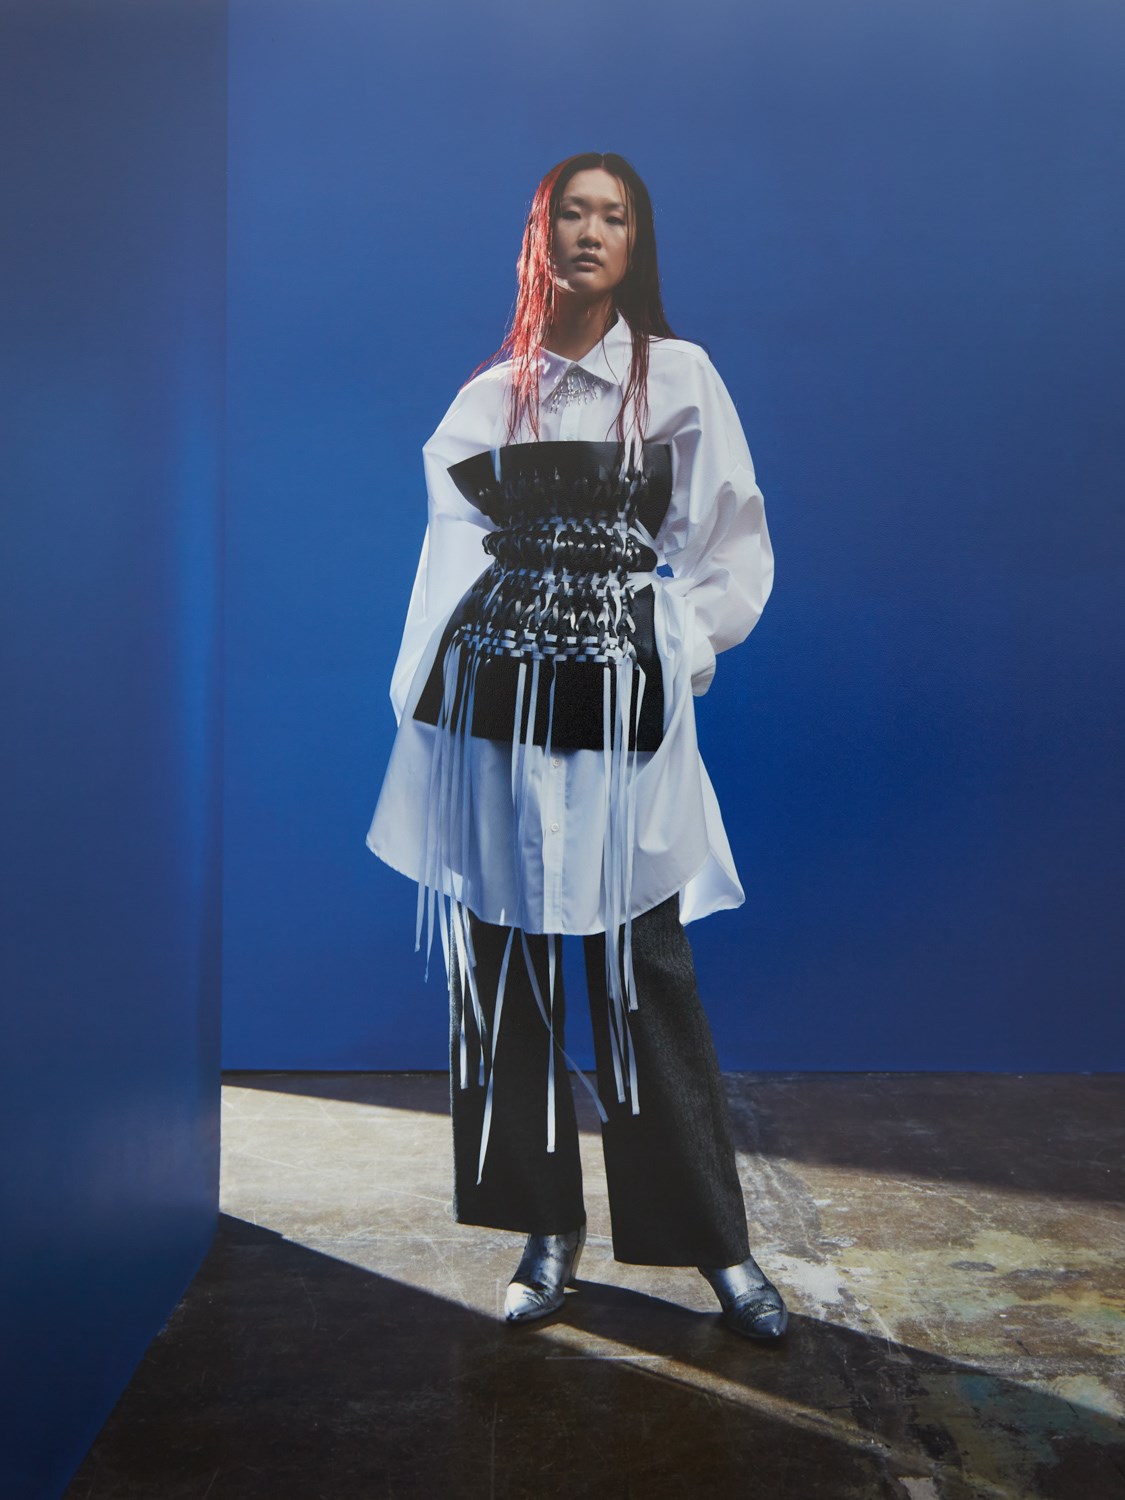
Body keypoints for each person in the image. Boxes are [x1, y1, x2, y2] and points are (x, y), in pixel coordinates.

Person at [366, 151, 786, 1341]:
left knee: (645, 968)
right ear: (539, 235)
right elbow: (448, 554)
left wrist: (669, 642)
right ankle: (543, 1230)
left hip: (622, 712)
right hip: (502, 711)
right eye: (573, 213)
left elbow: (732, 542)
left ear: (637, 244)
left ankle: (716, 1245)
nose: (592, 232)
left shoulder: (680, 377)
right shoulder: (492, 398)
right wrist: (433, 697)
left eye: (616, 216)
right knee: (507, 971)